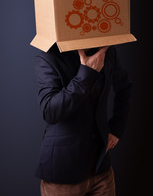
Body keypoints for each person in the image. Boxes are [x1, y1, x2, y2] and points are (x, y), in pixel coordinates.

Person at [34, 43, 132, 196]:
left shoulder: (106, 50)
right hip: (63, 174)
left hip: (101, 171)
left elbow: (124, 88)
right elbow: (50, 111)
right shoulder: (49, 55)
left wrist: (117, 128)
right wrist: (86, 74)